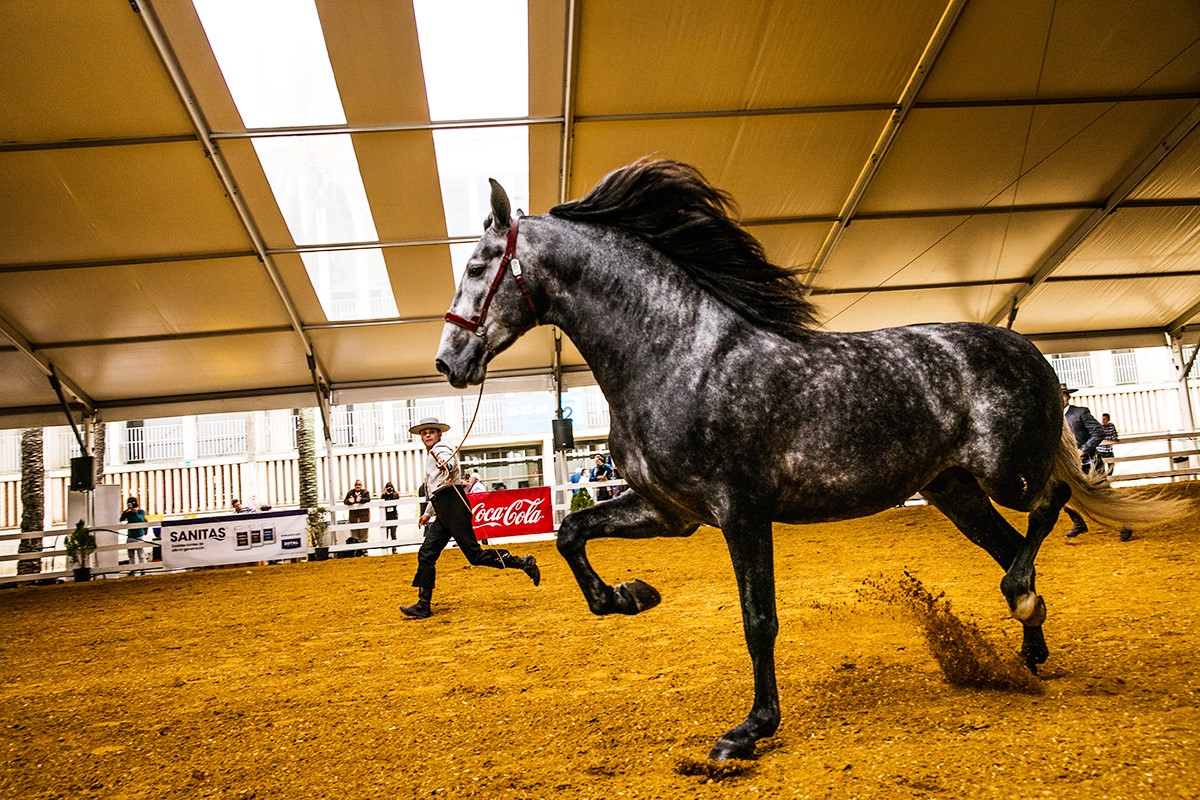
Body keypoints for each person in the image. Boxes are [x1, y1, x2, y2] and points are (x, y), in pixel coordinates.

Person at [398, 417, 540, 619]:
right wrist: (428, 513)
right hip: (446, 506)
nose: (427, 435)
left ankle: (522, 562)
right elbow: (437, 488)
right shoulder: (433, 453)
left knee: (474, 556)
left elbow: (448, 462)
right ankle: (423, 604)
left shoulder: (442, 449)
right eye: (424, 432)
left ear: (439, 434)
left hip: (453, 508)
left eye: (431, 431)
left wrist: (445, 465)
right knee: (427, 553)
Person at [1061, 385, 1132, 541]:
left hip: (1089, 460)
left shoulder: (1080, 412)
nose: (1061, 398)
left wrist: (1084, 450)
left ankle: (1124, 523)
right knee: (1063, 494)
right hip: (1069, 464)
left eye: (1063, 395)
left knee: (1103, 492)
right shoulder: (1053, 417)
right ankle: (1078, 523)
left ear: (1068, 397)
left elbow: (1098, 432)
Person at [119, 496, 148, 571]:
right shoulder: (128, 513)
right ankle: (132, 570)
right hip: (130, 536)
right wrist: (125, 513)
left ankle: (143, 569)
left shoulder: (140, 511)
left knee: (141, 555)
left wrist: (134, 512)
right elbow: (121, 519)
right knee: (131, 556)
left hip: (139, 536)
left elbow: (140, 520)